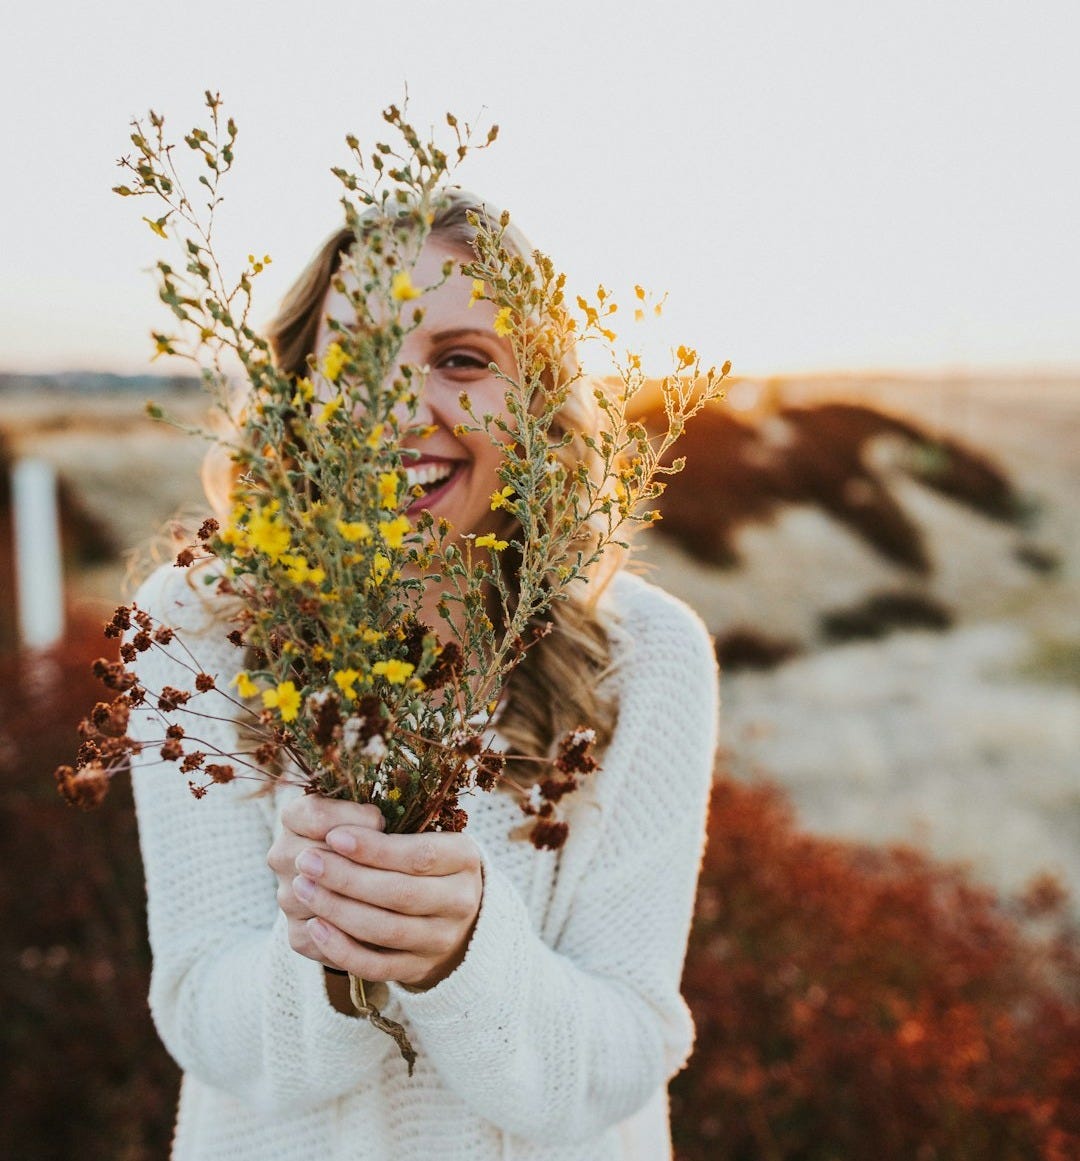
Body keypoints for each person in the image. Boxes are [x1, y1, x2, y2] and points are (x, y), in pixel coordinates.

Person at [128, 190, 719, 1160]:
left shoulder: (645, 656)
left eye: (460, 360)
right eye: (356, 359)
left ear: (537, 397)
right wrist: (325, 945)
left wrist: (465, 951)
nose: (401, 405)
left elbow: (626, 1052)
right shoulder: (201, 625)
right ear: (298, 396)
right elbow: (204, 1023)